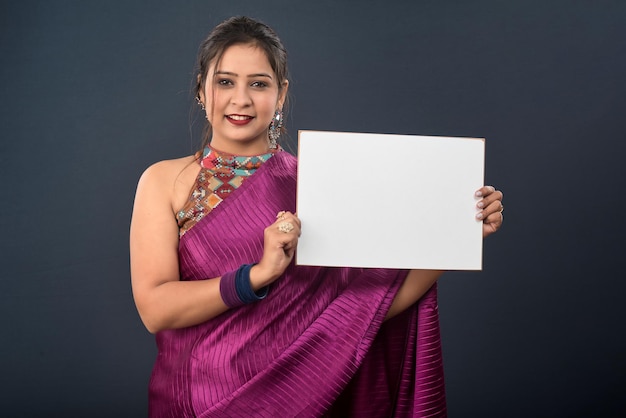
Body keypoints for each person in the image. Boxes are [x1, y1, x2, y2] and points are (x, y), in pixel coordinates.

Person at [130, 16, 504, 418]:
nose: (240, 99)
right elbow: (155, 308)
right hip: (193, 402)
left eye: (259, 83)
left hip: (301, 399)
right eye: (225, 82)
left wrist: (457, 234)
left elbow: (366, 310)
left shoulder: (319, 184)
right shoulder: (164, 181)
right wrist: (256, 276)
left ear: (282, 94)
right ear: (202, 90)